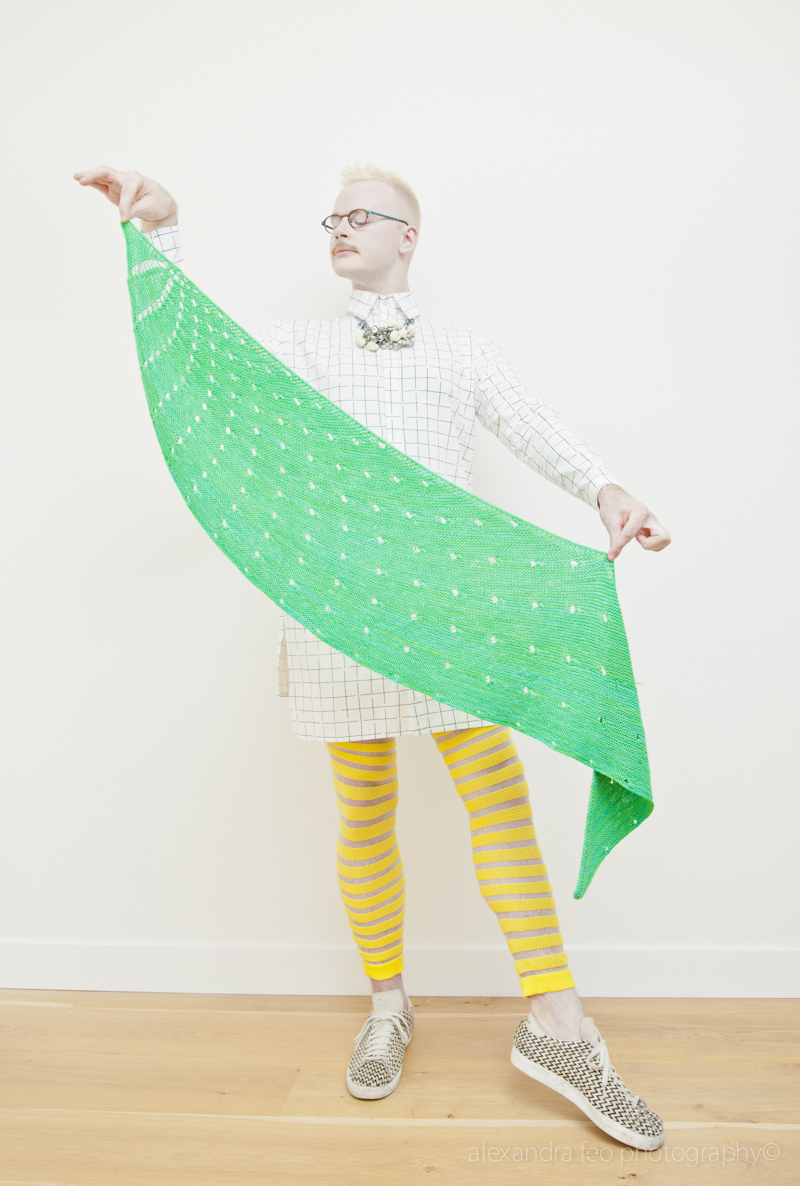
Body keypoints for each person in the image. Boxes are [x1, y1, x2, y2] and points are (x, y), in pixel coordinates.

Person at [75, 163, 671, 1150]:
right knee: (364, 812)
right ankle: (388, 1005)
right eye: (333, 217)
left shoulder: (462, 351)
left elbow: (531, 424)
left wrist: (606, 488)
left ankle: (558, 1026)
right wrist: (162, 231)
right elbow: (209, 359)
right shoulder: (300, 346)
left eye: (362, 214)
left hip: (446, 610)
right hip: (340, 611)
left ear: (408, 236)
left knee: (499, 803)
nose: (340, 227)